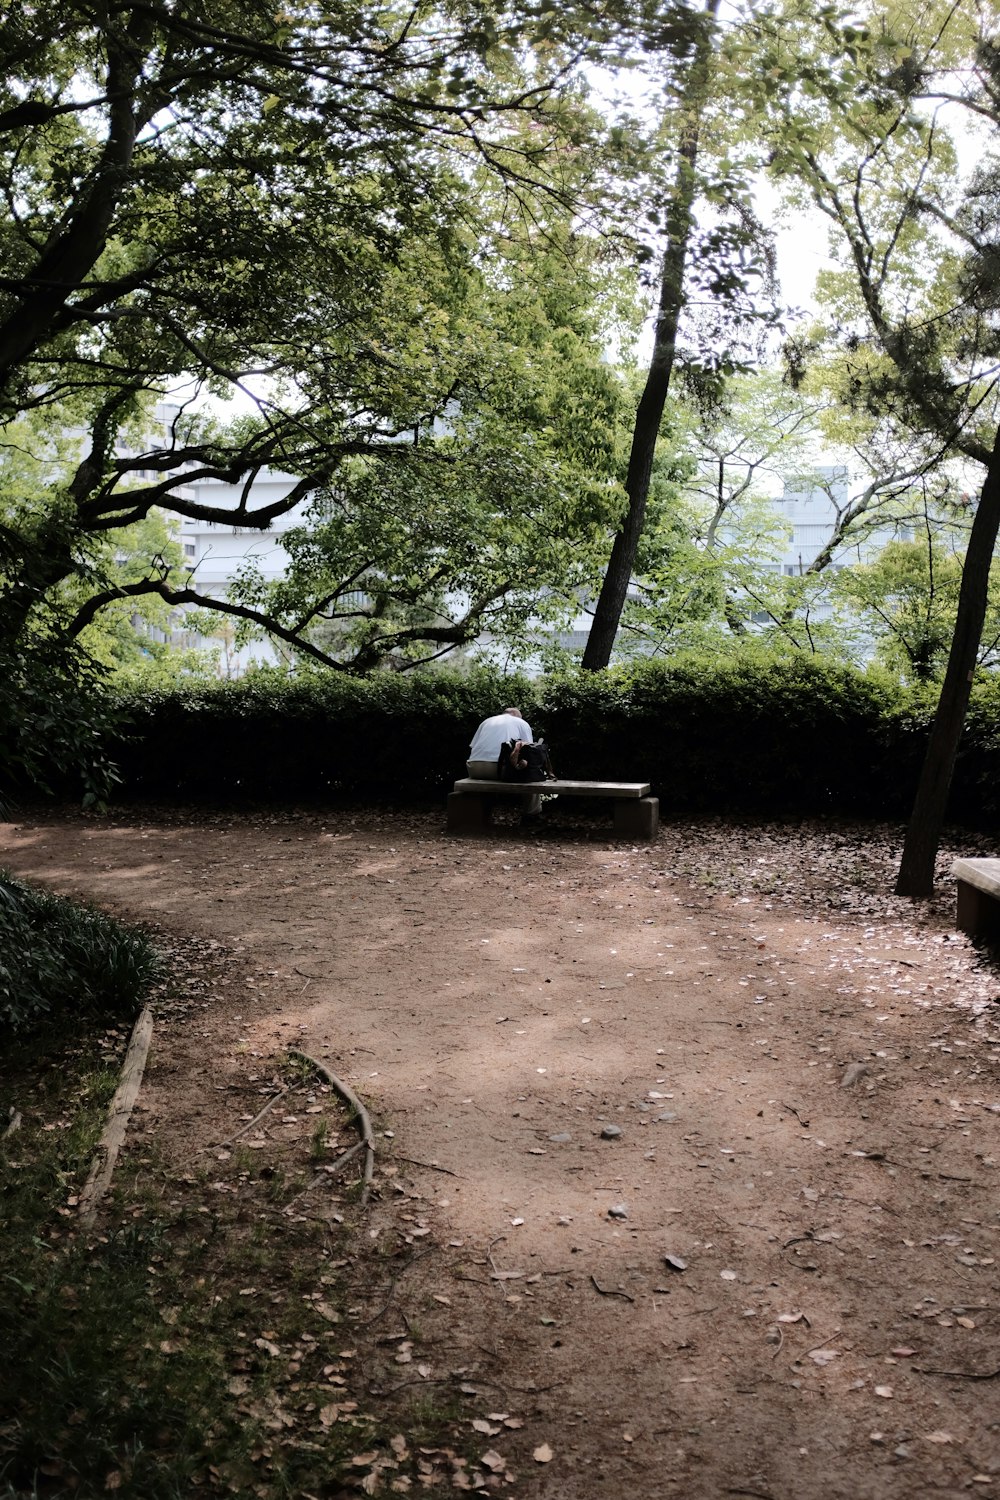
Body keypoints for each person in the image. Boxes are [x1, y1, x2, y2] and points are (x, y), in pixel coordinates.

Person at [466, 706, 543, 816]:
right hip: (499, 769)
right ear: (516, 715)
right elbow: (529, 751)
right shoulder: (521, 723)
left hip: (474, 768)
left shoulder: (486, 722)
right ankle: (532, 815)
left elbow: (473, 746)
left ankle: (482, 814)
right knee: (531, 778)